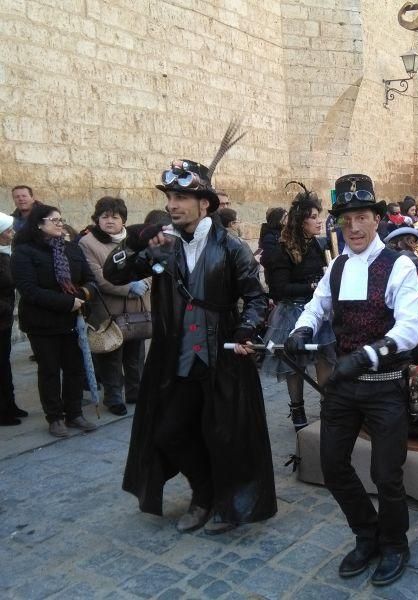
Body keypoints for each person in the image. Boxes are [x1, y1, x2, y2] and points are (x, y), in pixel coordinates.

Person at [103, 132, 277, 535]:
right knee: (169, 433)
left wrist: (248, 328)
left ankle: (224, 502)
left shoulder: (231, 248)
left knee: (223, 434)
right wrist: (137, 240)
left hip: (224, 359)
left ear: (205, 204)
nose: (172, 205)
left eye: (180, 198)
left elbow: (255, 297)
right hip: (174, 359)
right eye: (169, 198)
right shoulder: (162, 246)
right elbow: (113, 273)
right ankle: (203, 493)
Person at [286, 173, 418, 587]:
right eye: (347, 220)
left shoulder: (400, 265)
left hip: (385, 385)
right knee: (331, 465)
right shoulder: (339, 265)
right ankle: (367, 532)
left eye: (362, 217)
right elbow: (317, 305)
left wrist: (366, 354)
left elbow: (410, 328)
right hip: (344, 386)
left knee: (386, 474)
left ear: (376, 219)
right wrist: (301, 330)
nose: (355, 227)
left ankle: (395, 543)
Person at [11, 204, 97, 437]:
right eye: (54, 220)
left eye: (61, 219)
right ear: (39, 223)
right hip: (43, 323)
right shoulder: (25, 252)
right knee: (49, 370)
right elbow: (29, 289)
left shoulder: (72, 249)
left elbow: (89, 279)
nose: (60, 223)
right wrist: (67, 302)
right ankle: (55, 418)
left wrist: (81, 297)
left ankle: (75, 413)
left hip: (73, 320)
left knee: (74, 369)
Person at [262, 183, 334, 432]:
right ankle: (297, 406)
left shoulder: (317, 244)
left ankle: (328, 405)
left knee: (326, 355)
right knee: (295, 362)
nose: (318, 222)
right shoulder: (282, 250)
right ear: (301, 221)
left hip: (319, 310)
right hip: (292, 311)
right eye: (313, 217)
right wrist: (312, 287)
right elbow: (280, 289)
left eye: (319, 216)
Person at [78, 197, 150, 415]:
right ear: (97, 219)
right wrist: (128, 287)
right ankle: (113, 397)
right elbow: (98, 276)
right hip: (109, 309)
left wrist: (144, 283)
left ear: (123, 220)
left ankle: (135, 391)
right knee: (111, 355)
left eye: (115, 217)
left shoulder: (135, 238)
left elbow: (152, 264)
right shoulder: (87, 243)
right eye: (105, 216)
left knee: (135, 354)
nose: (110, 221)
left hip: (137, 307)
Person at [0, 212, 26, 426]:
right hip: (1, 316)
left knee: (4, 364)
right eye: (8, 230)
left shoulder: (5, 253)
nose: (12, 233)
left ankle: (10, 405)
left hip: (4, 321)